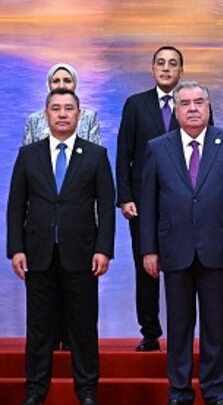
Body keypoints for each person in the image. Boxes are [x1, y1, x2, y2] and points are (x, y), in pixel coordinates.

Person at [139, 81, 223, 405]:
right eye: (185, 103)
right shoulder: (158, 147)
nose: (192, 108)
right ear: (175, 110)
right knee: (178, 327)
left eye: (198, 102)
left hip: (218, 247)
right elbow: (149, 203)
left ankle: (215, 390)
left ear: (208, 107)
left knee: (217, 326)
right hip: (174, 250)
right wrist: (149, 249)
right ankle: (179, 391)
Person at [7, 88, 115, 405]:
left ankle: (87, 390)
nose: (63, 114)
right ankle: (35, 390)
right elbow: (16, 206)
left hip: (82, 254)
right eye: (56, 108)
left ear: (79, 114)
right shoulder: (29, 154)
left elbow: (106, 207)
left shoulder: (95, 155)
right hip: (38, 254)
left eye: (69, 108)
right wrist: (16, 248)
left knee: (83, 326)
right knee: (39, 326)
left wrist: (104, 249)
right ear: (46, 114)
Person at [22, 63, 103, 353]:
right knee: (42, 305)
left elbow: (93, 165)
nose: (61, 84)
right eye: (56, 80)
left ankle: (72, 344)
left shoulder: (87, 117)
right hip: (43, 220)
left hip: (77, 216)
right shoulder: (35, 120)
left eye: (67, 79)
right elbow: (28, 170)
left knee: (80, 303)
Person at [115, 46, 183, 352]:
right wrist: (124, 197)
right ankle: (150, 332)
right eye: (161, 63)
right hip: (142, 203)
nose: (166, 68)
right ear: (153, 68)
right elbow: (123, 154)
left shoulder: (192, 102)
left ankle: (181, 332)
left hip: (182, 203)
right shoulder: (135, 104)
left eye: (172, 64)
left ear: (181, 70)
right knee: (146, 268)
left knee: (181, 269)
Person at [24, 63, 101, 146]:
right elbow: (28, 152)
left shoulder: (89, 118)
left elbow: (95, 151)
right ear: (49, 85)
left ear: (75, 84)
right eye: (56, 81)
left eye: (67, 81)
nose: (61, 86)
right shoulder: (34, 120)